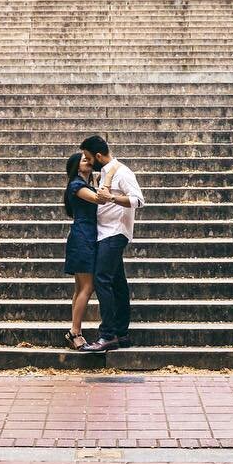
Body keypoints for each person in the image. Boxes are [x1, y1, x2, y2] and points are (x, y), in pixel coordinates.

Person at [78, 134, 144, 353]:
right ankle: (122, 333)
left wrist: (112, 198)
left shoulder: (123, 172)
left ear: (98, 155)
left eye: (88, 157)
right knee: (117, 282)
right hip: (105, 233)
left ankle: (107, 335)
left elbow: (138, 200)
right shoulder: (105, 173)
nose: (87, 161)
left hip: (115, 233)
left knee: (101, 278)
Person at [62, 151, 106, 351]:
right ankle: (75, 332)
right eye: (84, 159)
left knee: (81, 288)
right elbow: (99, 199)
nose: (88, 160)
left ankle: (74, 330)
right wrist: (108, 177)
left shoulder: (84, 184)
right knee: (87, 287)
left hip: (84, 237)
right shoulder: (76, 185)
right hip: (83, 238)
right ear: (76, 167)